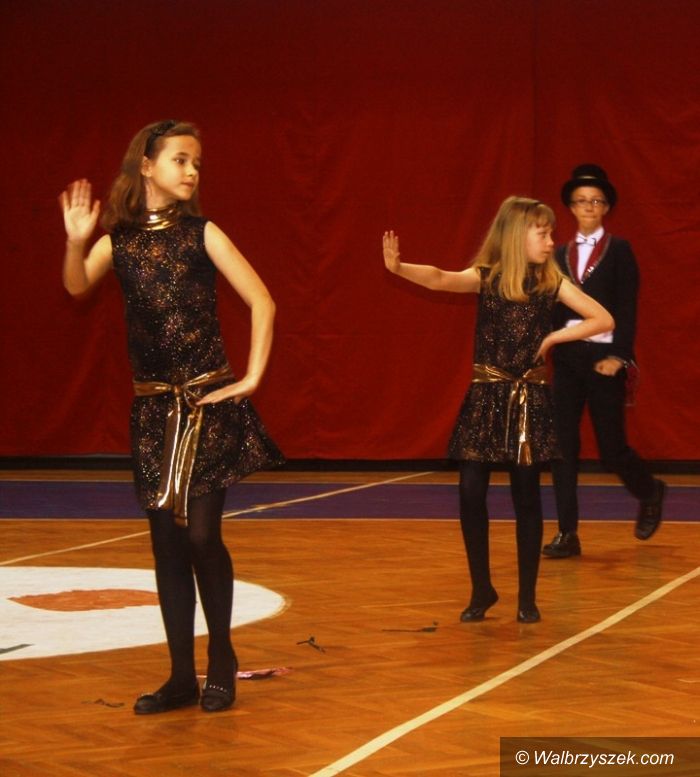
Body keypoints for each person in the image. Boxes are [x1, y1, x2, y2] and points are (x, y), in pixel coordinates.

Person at [60, 120, 284, 714]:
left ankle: (222, 658)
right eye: (181, 159)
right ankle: (181, 675)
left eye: (197, 163)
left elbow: (262, 300)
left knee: (203, 536)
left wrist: (251, 377)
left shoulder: (202, 233)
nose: (191, 171)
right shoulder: (119, 241)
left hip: (207, 405)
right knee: (166, 544)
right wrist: (75, 243)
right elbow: (76, 285)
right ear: (146, 165)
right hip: (155, 411)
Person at [383, 196, 613, 623]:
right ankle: (482, 589)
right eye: (543, 233)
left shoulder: (551, 282)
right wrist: (399, 268)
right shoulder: (486, 277)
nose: (551, 241)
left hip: (528, 400)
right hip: (486, 397)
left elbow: (602, 319)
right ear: (516, 235)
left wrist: (554, 339)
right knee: (470, 491)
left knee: (527, 496)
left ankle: (527, 597)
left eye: (551, 233)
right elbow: (439, 278)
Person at [542, 165, 666, 559]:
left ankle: (650, 490)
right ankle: (567, 532)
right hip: (568, 361)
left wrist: (619, 356)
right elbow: (552, 311)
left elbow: (627, 309)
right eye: (581, 201)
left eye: (596, 201)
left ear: (606, 207)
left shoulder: (620, 251)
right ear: (570, 207)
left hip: (603, 360)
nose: (588, 207)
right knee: (562, 449)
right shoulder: (556, 255)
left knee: (612, 449)